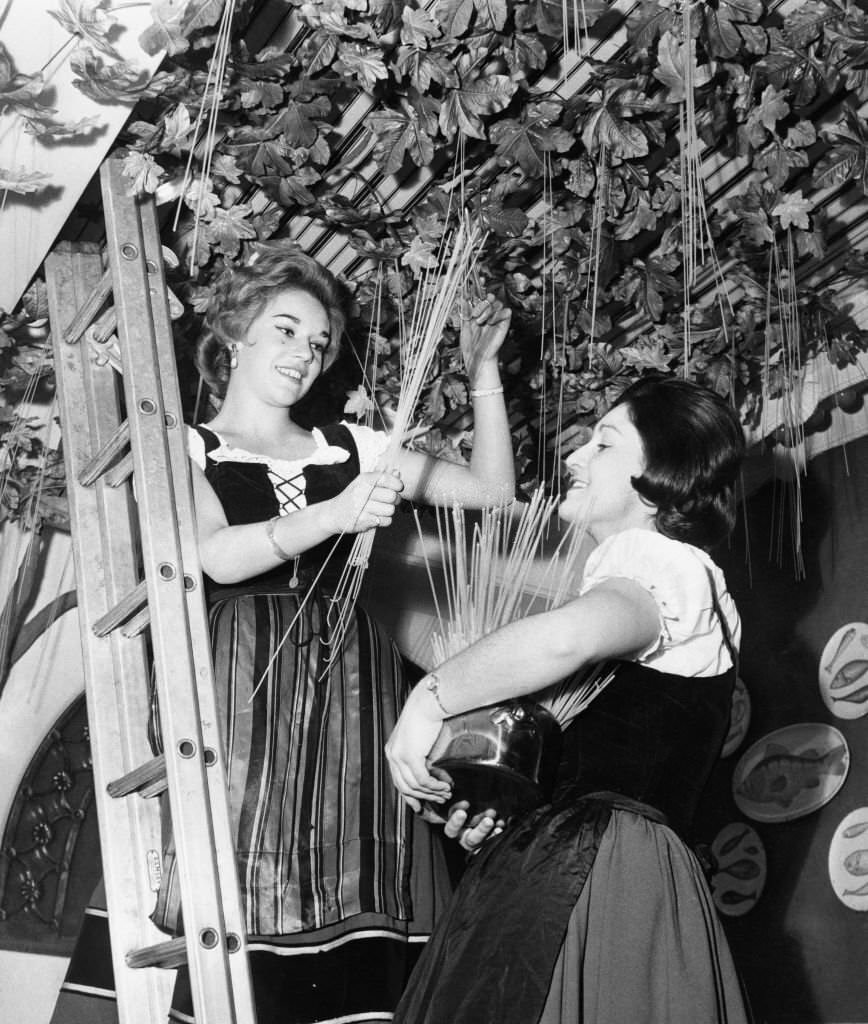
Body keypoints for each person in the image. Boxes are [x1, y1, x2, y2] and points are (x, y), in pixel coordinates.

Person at [141, 249, 516, 1023]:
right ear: (235, 333)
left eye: (317, 343)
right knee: (245, 901)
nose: (303, 355)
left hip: (353, 681)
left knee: (358, 897)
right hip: (246, 685)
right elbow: (215, 553)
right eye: (285, 330)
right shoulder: (187, 448)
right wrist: (333, 516)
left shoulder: (352, 447)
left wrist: (484, 373)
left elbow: (493, 493)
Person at [385, 375, 752, 1024]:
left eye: (604, 444)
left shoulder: (663, 559)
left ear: (660, 469)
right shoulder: (649, 578)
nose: (576, 457)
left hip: (607, 873)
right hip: (575, 865)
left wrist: (429, 699)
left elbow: (567, 638)